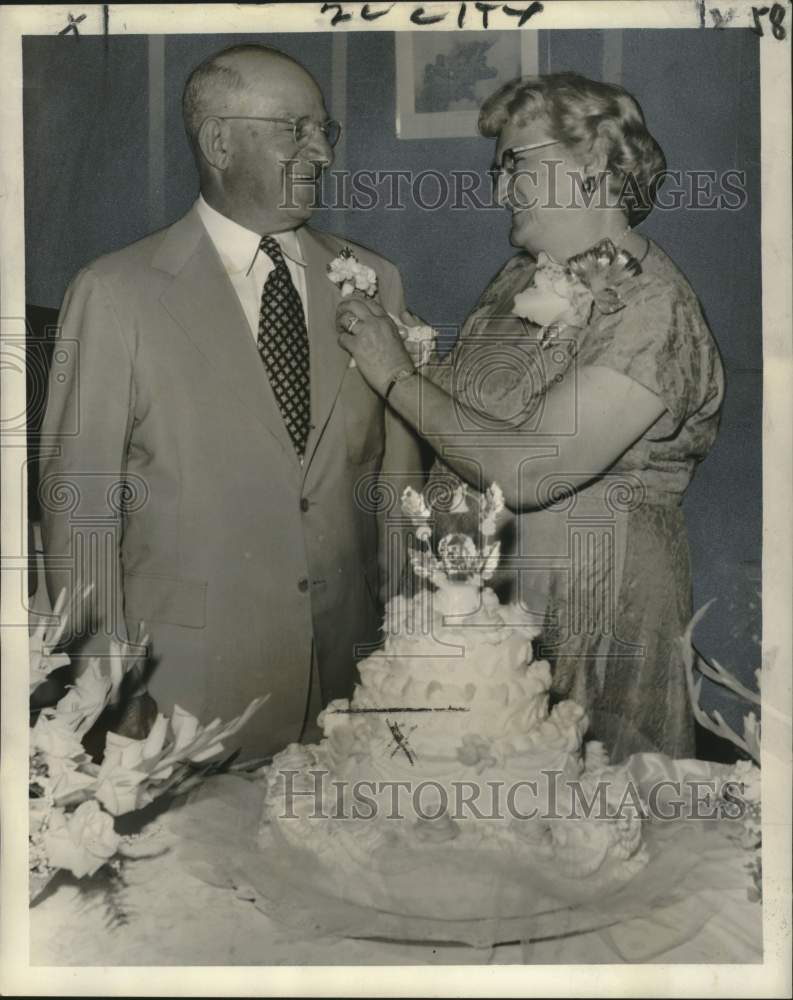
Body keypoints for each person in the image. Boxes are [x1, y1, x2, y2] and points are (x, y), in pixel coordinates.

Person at [39, 44, 421, 756]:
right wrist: (108, 690)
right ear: (219, 140)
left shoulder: (373, 280)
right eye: (295, 129)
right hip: (180, 695)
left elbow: (395, 490)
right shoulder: (117, 292)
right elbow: (80, 509)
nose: (322, 154)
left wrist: (403, 655)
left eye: (323, 131)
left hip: (350, 689)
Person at [335, 72, 725, 761]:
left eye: (514, 162)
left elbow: (527, 470)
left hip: (593, 615)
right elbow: (466, 425)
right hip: (487, 605)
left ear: (595, 163)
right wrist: (419, 363)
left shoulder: (650, 307)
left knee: (579, 825)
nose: (496, 190)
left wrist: (394, 373)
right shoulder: (520, 276)